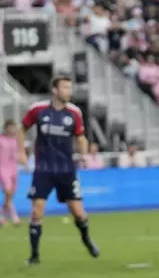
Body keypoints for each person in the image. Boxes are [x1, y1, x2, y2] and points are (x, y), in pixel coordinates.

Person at [19, 75, 101, 265]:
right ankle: (34, 256)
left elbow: (80, 136)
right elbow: (22, 129)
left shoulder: (74, 113)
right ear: (55, 90)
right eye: (65, 87)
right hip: (43, 168)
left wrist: (83, 153)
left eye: (69, 88)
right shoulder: (38, 110)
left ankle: (86, 238)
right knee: (37, 211)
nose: (69, 92)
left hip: (66, 169)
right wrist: (21, 152)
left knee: (78, 212)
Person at [0, 120, 21, 227]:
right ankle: (14, 216)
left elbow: (17, 154)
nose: (13, 130)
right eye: (11, 127)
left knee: (10, 195)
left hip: (13, 168)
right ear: (6, 128)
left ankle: (2, 215)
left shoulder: (15, 140)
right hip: (2, 168)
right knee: (8, 192)